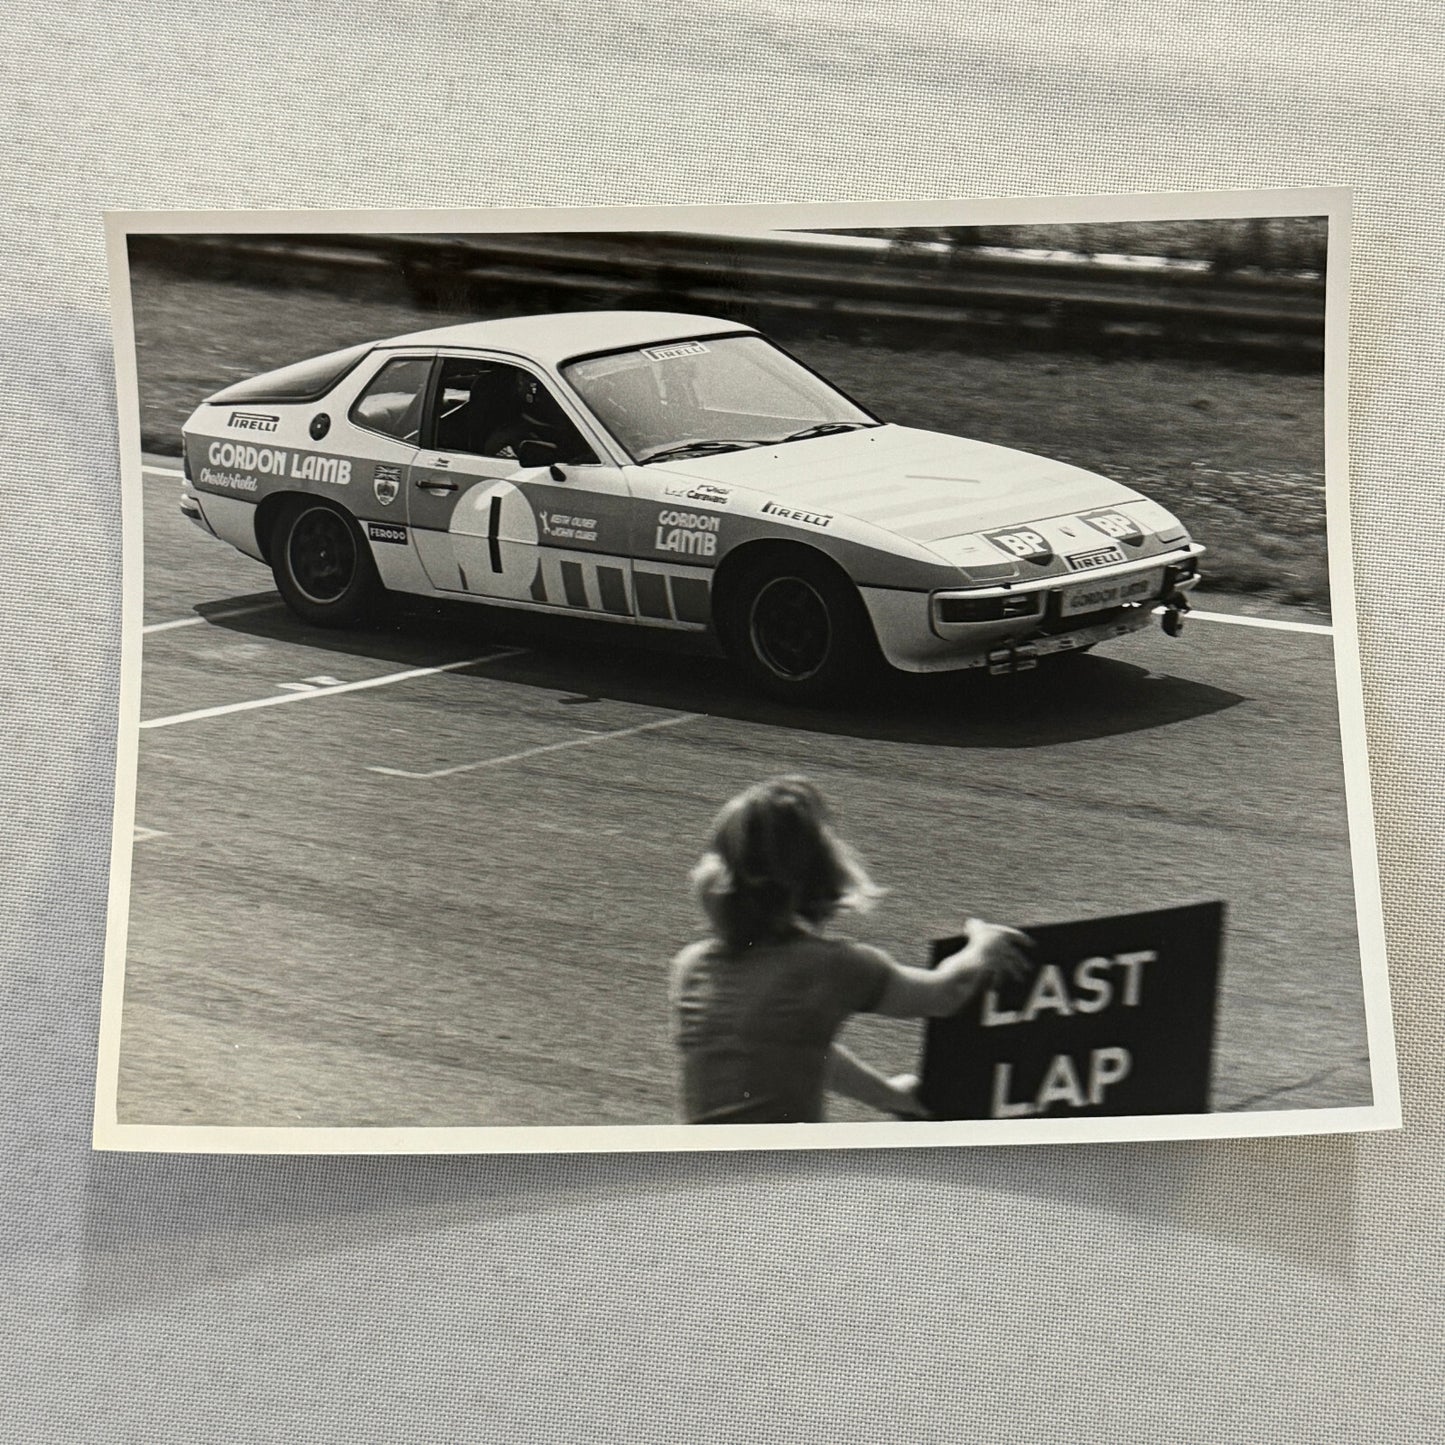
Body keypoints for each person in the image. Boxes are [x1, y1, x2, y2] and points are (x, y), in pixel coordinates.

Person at [670, 776, 1031, 1124]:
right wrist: (983, 947)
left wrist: (888, 1096)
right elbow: (944, 994)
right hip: (785, 1178)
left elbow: (797, 1049)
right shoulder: (829, 967)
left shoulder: (691, 967)